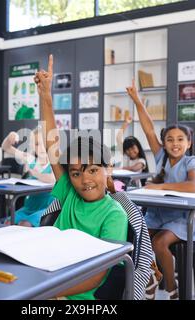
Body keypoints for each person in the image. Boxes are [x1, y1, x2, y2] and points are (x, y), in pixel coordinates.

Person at [34, 55, 128, 300]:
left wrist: (50, 292)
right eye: (76, 173)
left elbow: (97, 277)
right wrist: (45, 95)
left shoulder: (114, 215)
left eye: (93, 170)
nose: (85, 180)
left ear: (108, 169)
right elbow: (51, 141)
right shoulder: (69, 192)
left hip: (77, 294)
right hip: (48, 275)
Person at [126, 78, 195, 300]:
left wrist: (159, 186)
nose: (174, 143)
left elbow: (194, 186)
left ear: (188, 143)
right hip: (157, 216)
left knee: (159, 243)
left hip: (180, 219)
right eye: (169, 139)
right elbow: (148, 128)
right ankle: (150, 278)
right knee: (138, 239)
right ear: (164, 143)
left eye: (180, 139)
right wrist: (137, 101)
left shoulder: (191, 162)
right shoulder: (161, 157)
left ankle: (172, 289)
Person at [1, 127, 55, 227]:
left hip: (46, 208)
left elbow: (51, 178)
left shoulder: (55, 162)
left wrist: (33, 172)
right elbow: (6, 147)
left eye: (44, 143)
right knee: (8, 223)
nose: (41, 147)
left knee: (24, 224)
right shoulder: (30, 158)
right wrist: (10, 137)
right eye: (37, 144)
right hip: (29, 207)